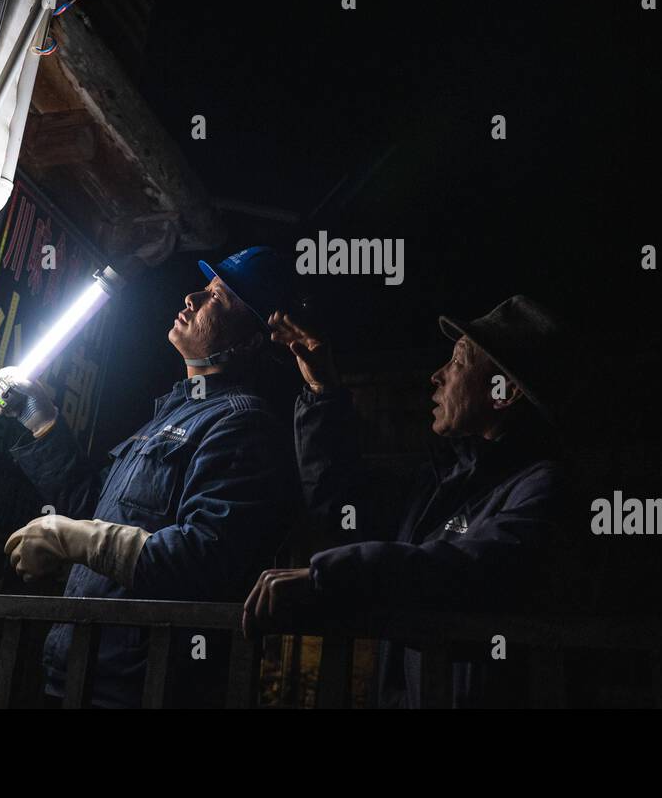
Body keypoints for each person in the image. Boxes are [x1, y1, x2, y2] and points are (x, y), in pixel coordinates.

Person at [243, 295, 596, 707]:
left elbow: (475, 571)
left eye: (458, 362)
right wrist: (323, 392)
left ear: (505, 392)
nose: (437, 376)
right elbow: (344, 508)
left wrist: (332, 574)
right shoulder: (445, 483)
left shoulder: (546, 488)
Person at [0, 247, 300, 707]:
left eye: (217, 297)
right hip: (75, 670)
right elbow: (94, 509)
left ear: (253, 340)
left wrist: (78, 540)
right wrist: (42, 423)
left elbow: (203, 560)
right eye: (203, 287)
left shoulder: (242, 426)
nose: (192, 297)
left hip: (138, 688)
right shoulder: (172, 413)